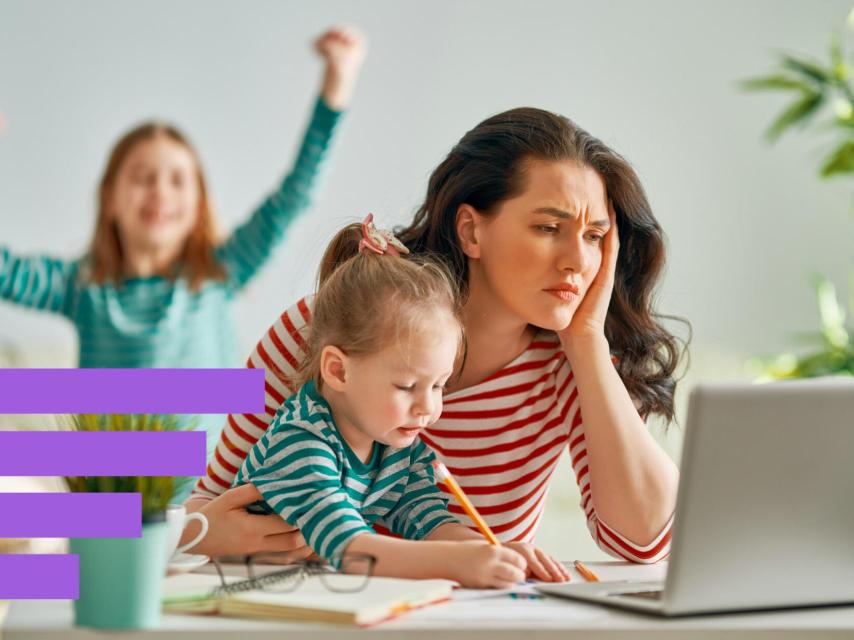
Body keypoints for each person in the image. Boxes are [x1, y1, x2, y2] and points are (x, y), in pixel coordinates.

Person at [184, 106, 685, 565]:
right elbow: (205, 497)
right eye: (548, 227)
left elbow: (643, 542)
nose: (578, 260)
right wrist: (201, 534)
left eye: (594, 237)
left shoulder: (570, 366)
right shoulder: (316, 330)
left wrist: (588, 341)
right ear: (471, 231)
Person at [0, 26, 365, 369]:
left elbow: (294, 197)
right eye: (143, 178)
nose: (160, 190)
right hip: (109, 440)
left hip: (211, 440)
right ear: (110, 199)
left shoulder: (220, 271)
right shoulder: (81, 287)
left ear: (198, 206)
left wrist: (336, 86)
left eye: (177, 181)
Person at [233, 215, 568, 587]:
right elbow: (350, 550)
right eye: (407, 386)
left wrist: (495, 550)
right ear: (339, 371)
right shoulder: (300, 444)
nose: (429, 409)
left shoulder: (391, 444)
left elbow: (429, 523)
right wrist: (457, 562)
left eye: (440, 385)